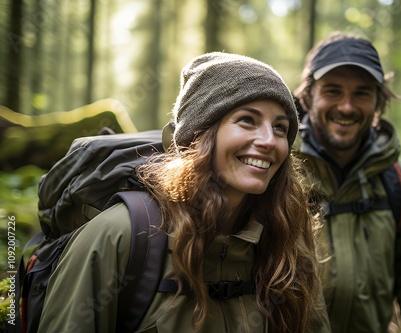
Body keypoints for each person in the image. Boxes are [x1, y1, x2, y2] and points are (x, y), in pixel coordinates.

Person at [38, 52, 331, 333]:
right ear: (199, 134)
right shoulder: (120, 236)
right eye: (247, 120)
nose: (269, 140)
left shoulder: (289, 243)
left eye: (280, 128)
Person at [293, 31, 401, 333]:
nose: (347, 107)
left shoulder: (400, 181)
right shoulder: (279, 173)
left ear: (379, 101)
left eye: (362, 93)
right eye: (333, 91)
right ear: (309, 96)